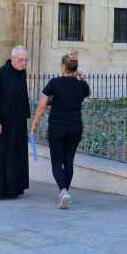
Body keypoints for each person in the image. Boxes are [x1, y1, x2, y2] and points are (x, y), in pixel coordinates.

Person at [30, 54, 90, 208]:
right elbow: (85, 93)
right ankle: (65, 193)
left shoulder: (54, 83)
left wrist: (34, 124)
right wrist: (82, 78)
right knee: (68, 161)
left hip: (57, 127)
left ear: (63, 66)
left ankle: (63, 191)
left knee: (57, 161)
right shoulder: (82, 85)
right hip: (75, 127)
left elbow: (42, 105)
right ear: (76, 68)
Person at [0, 46, 31, 199]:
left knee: (16, 155)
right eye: (21, 60)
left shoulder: (22, 72)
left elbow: (23, 94)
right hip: (3, 122)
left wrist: (26, 115)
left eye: (25, 60)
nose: (23, 63)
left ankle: (15, 188)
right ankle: (0, 190)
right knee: (2, 155)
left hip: (17, 122)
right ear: (12, 58)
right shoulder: (0, 74)